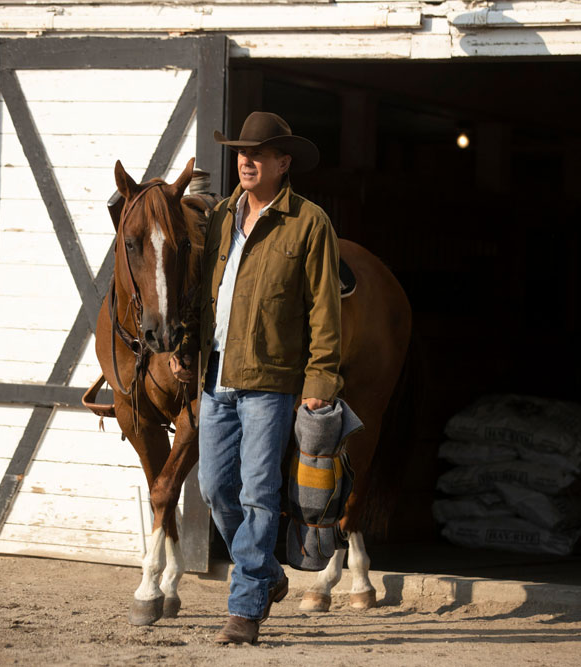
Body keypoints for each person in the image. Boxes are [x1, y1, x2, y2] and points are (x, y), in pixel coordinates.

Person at [171, 111, 343, 644]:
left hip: (272, 380)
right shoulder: (222, 216)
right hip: (218, 376)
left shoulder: (309, 222)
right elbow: (205, 296)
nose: (245, 161)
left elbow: (323, 309)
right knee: (214, 485)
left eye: (258, 154)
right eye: (241, 152)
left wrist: (321, 381)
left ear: (282, 162)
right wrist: (186, 346)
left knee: (258, 495)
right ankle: (267, 573)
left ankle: (244, 610)